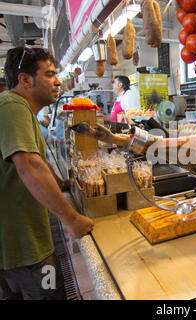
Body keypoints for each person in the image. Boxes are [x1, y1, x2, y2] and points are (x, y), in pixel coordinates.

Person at [0, 47, 94, 300]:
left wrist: (60, 183)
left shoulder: (20, 110)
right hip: (22, 247)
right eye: (50, 74)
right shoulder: (12, 104)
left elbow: (35, 160)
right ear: (24, 79)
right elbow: (28, 165)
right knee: (51, 294)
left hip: (19, 246)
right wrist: (72, 219)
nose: (58, 82)